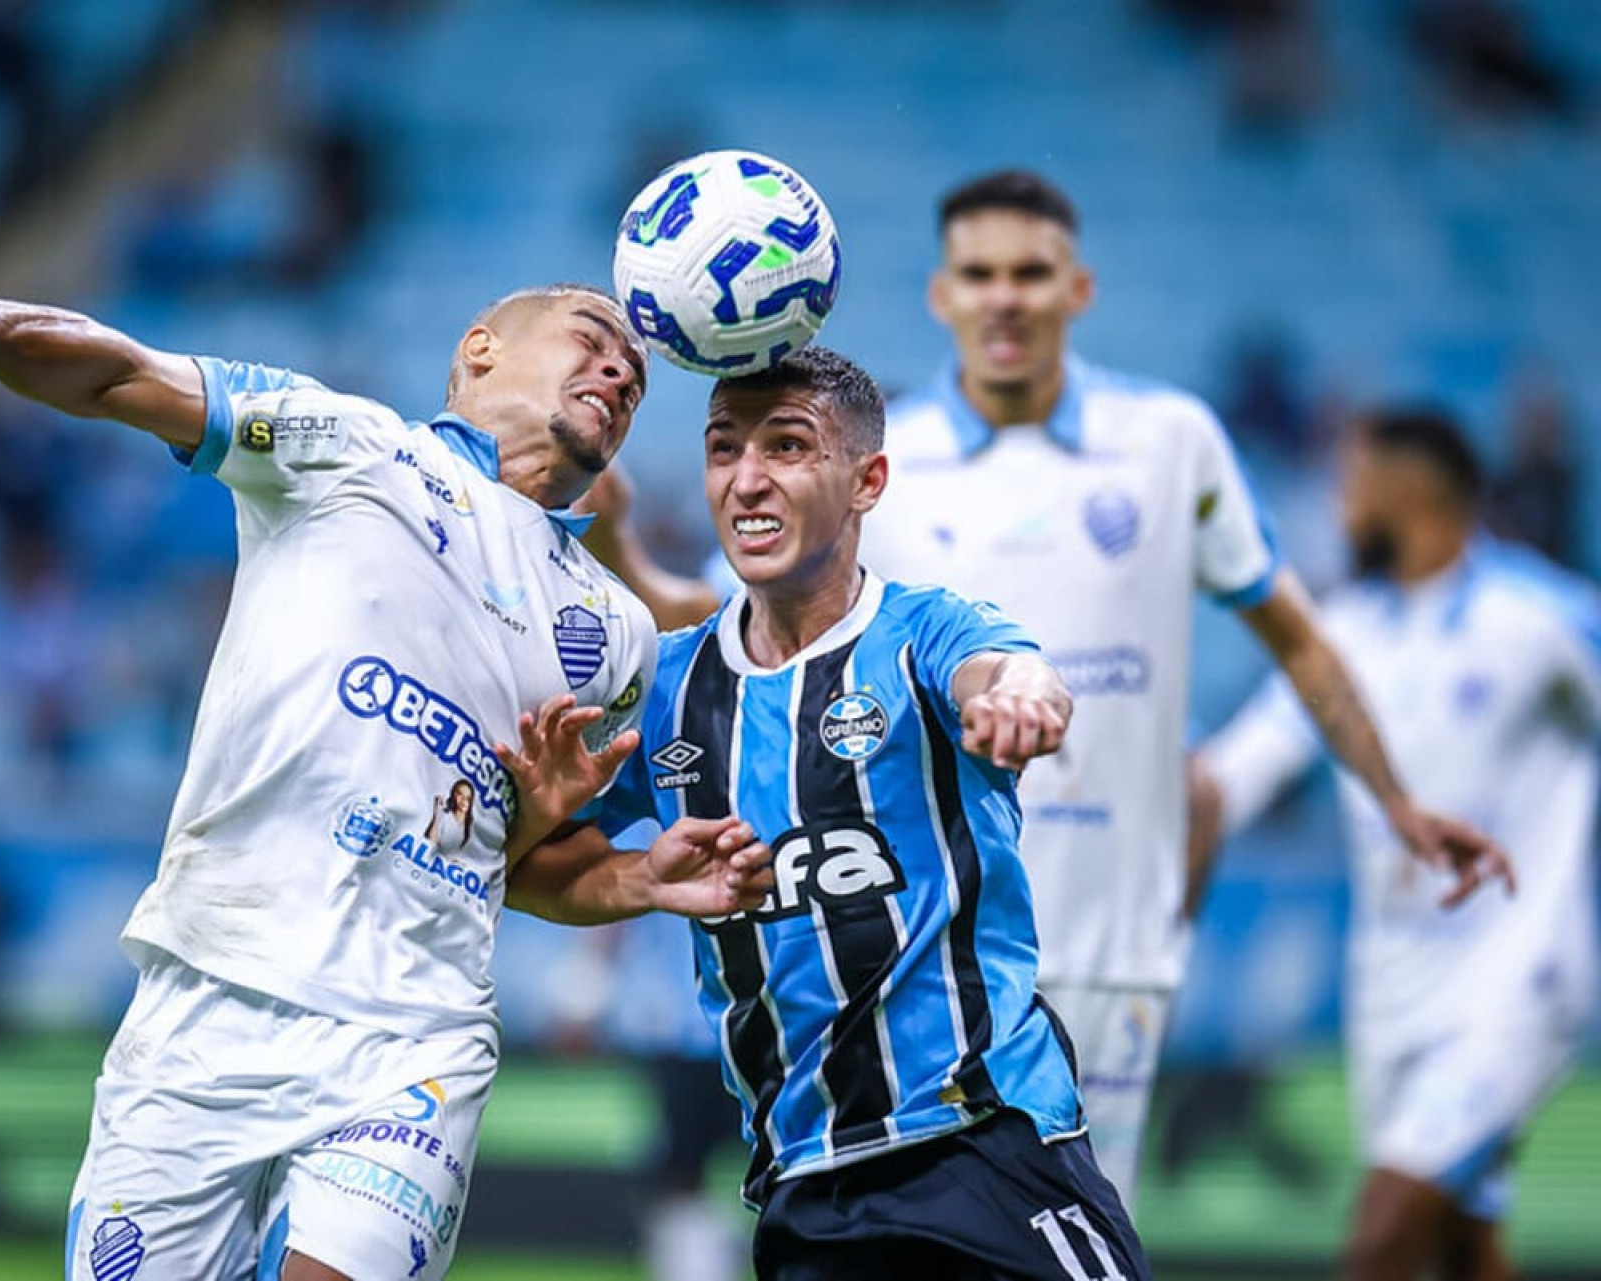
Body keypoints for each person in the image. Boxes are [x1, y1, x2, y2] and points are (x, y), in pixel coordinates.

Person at [0, 182, 773, 1281]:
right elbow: (118, 371)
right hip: (210, 991)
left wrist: (631, 880)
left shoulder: (615, 632)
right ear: (478, 351)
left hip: (412, 1032)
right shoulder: (349, 449)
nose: (621, 373)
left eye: (636, 373)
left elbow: (525, 863)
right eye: (592, 341)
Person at [581, 170, 1510, 1205]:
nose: (1004, 298)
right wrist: (619, 542)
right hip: (927, 948)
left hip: (1107, 934)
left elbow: (1299, 637)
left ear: (1080, 288)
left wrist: (1397, 801)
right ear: (943, 295)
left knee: (1073, 1235)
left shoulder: (1170, 444)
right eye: (979, 273)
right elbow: (724, 635)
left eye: (1031, 273)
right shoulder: (878, 458)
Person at [513, 347, 1152, 1279]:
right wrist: (636, 879)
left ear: (868, 481)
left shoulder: (922, 634)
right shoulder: (666, 692)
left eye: (788, 446)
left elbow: (1012, 670)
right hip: (805, 1187)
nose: (747, 480)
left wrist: (1022, 698)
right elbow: (530, 870)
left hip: (981, 1144)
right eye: (724, 448)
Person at [1192, 406, 1586, 1281]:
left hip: (1518, 974)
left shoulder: (1544, 616)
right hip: (1391, 987)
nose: (1338, 503)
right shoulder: (1346, 635)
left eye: (1350, 479)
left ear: (1404, 488)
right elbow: (1234, 773)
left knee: (1378, 1243)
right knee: (1459, 1247)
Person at [425, 779, 477, 853]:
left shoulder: (470, 824)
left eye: (468, 798)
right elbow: (430, 842)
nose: (463, 800)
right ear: (453, 794)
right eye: (460, 794)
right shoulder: (445, 816)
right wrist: (437, 814)